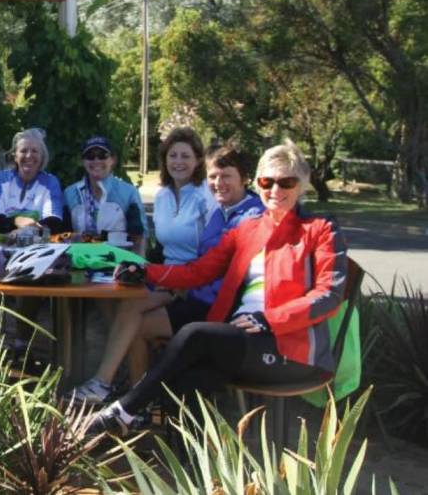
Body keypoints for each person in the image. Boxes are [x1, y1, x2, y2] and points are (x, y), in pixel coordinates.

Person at [89, 140, 348, 436]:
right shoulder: (248, 229)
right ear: (259, 183)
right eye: (268, 181)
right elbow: (198, 271)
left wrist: (269, 319)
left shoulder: (320, 229)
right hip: (242, 340)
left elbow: (329, 295)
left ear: (301, 185)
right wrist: (147, 272)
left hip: (291, 350)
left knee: (195, 333)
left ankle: (124, 410)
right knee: (188, 380)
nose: (275, 190)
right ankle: (193, 471)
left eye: (286, 182)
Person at [70, 140, 263, 404]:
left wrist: (164, 280)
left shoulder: (249, 217)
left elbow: (211, 270)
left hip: (216, 307)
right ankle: (124, 392)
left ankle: (130, 397)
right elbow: (197, 261)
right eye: (214, 177)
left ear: (245, 178)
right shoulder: (221, 210)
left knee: (132, 319)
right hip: (194, 290)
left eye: (226, 176)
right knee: (128, 308)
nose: (218, 183)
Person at [0, 128, 68, 256]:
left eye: (34, 151)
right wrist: (17, 221)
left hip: (34, 253)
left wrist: (25, 231)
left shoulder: (50, 182)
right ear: (15, 156)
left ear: (42, 156)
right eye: (23, 151)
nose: (29, 155)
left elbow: (53, 222)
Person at [63, 136, 147, 250]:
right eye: (90, 156)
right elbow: (63, 237)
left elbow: (140, 237)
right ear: (83, 161)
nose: (96, 161)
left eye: (103, 155)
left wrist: (138, 265)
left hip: (119, 264)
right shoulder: (70, 193)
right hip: (80, 264)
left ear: (113, 160)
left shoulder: (129, 192)